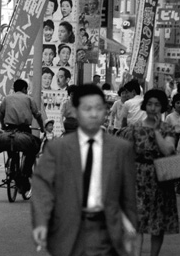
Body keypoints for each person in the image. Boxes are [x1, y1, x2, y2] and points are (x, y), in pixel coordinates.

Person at [31, 84, 137, 256]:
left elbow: (128, 196)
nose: (94, 114)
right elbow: (42, 187)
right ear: (77, 112)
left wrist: (131, 229)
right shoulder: (57, 149)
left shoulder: (121, 149)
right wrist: (41, 222)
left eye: (99, 108)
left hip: (107, 231)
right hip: (67, 229)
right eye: (87, 109)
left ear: (105, 112)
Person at [122, 89, 179, 256]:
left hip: (160, 177)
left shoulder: (167, 128)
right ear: (144, 105)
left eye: (157, 104)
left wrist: (155, 131)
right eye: (150, 104)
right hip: (137, 177)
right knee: (136, 221)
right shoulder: (134, 128)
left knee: (157, 222)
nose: (153, 108)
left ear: (162, 107)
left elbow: (169, 150)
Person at [0, 79, 44, 194]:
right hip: (24, 130)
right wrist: (42, 127)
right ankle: (25, 173)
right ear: (24, 89)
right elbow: (37, 115)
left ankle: (12, 168)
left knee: (11, 147)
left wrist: (3, 125)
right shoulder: (28, 99)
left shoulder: (7, 98)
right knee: (33, 148)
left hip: (9, 129)